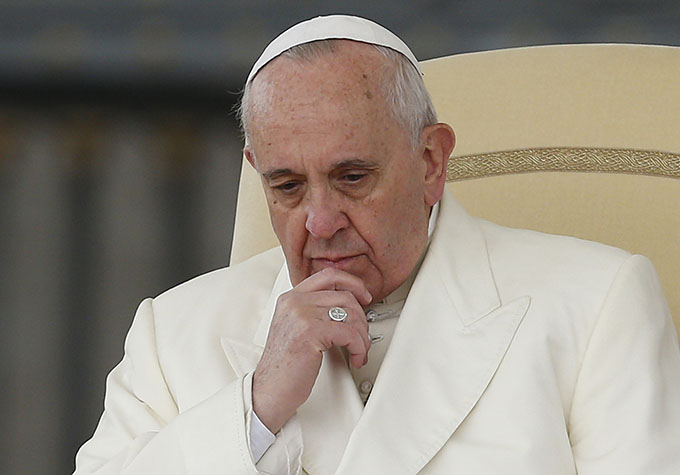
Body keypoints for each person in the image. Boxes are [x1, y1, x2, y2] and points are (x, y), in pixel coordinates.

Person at [74, 15, 680, 475]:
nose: (319, 221)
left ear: (430, 161)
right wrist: (254, 411)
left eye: (352, 178)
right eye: (287, 185)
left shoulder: (597, 303)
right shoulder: (173, 332)